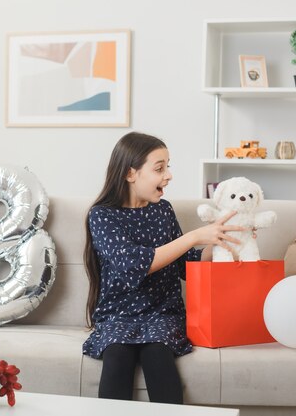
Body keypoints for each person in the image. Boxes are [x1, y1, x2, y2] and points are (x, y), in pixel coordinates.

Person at [82, 131, 243, 404]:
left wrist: (215, 242)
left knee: (158, 356)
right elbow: (134, 265)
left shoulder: (163, 210)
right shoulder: (102, 215)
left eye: (168, 167)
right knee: (117, 357)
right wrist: (193, 236)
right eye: (159, 168)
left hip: (162, 312)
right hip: (118, 314)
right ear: (130, 173)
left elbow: (184, 266)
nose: (168, 175)